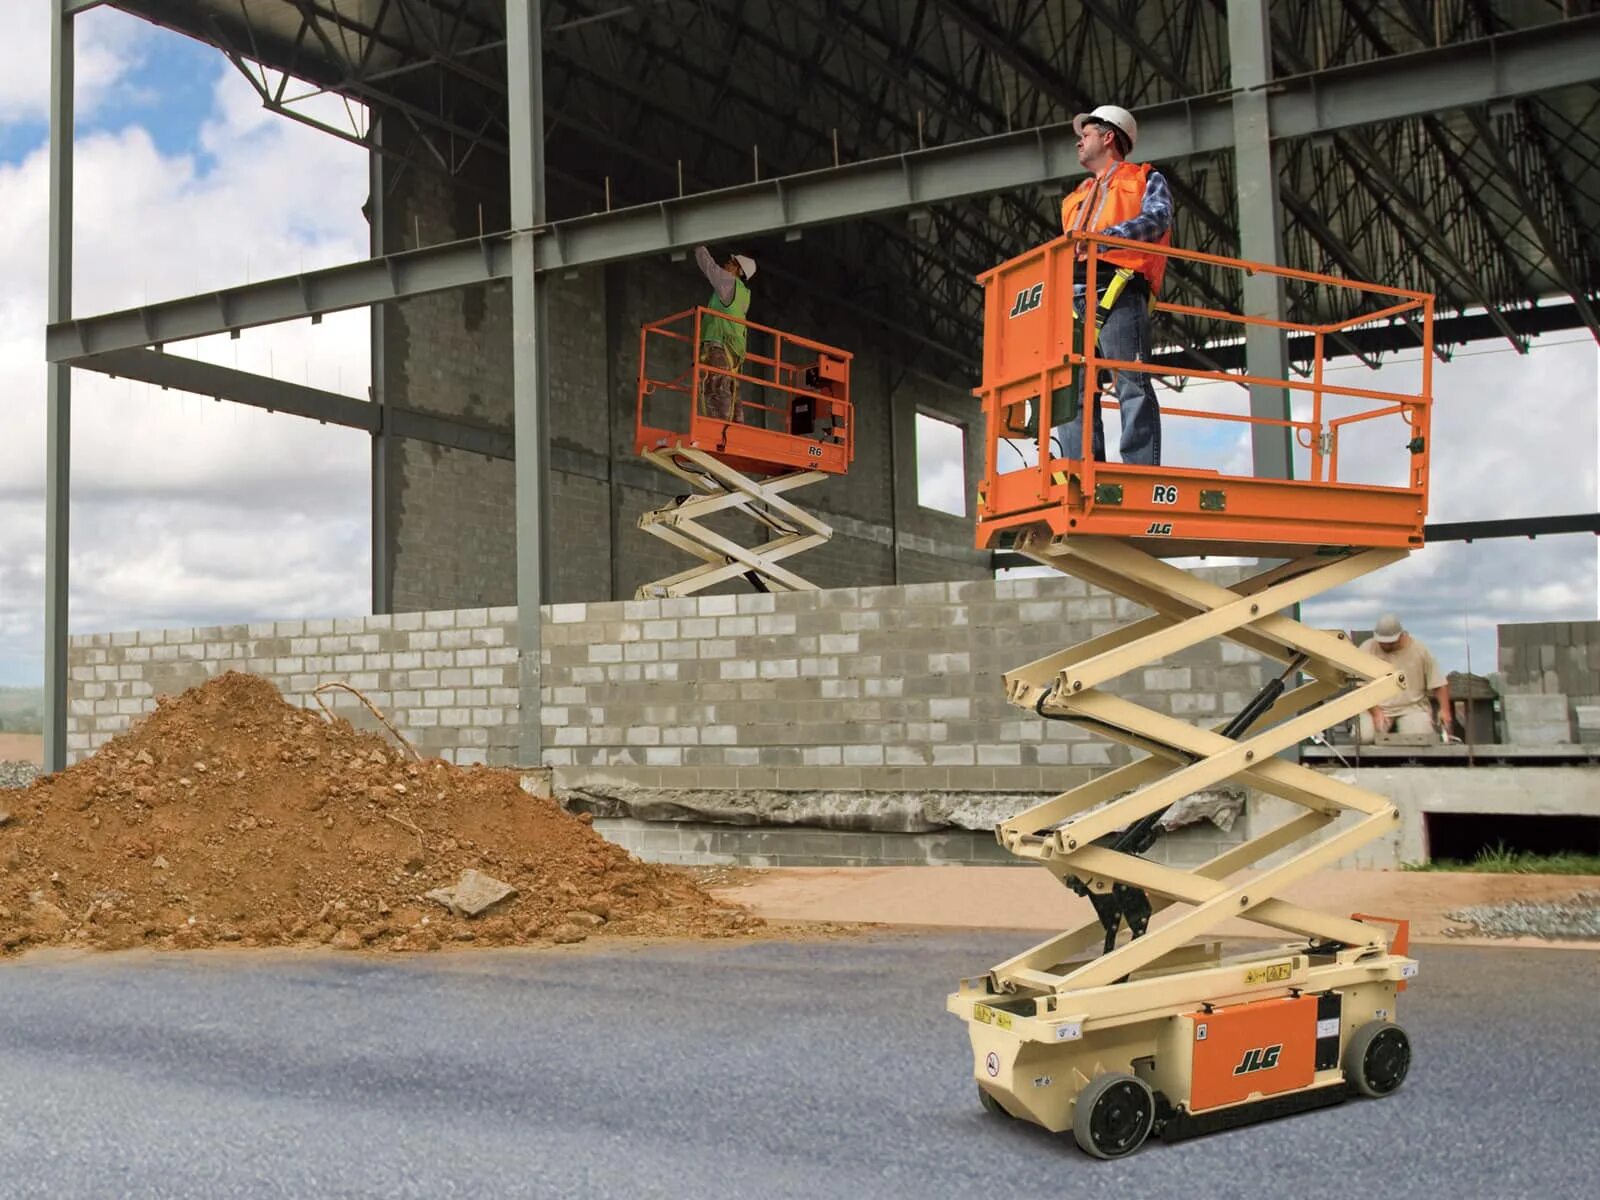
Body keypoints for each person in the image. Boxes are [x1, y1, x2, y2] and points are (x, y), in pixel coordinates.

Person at [1052, 104, 1172, 466]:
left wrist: (1101, 240)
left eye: (1085, 135)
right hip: (1075, 298)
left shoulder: (1145, 179)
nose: (1078, 142)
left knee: (1131, 382)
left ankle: (1140, 470)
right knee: (1072, 391)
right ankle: (1081, 468)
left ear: (1108, 138)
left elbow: (1157, 219)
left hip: (1118, 289)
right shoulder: (1076, 198)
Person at [1357, 613, 1455, 742]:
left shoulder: (1420, 650)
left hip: (1412, 707)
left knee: (1420, 740)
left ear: (1401, 636)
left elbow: (1439, 683)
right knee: (1365, 738)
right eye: (1382, 643)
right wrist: (1376, 712)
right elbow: (1362, 688)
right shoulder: (1367, 648)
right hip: (1377, 707)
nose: (1385, 646)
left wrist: (1445, 711)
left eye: (1390, 643)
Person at [694, 246, 756, 422]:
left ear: (738, 270)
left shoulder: (728, 283)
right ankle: (736, 429)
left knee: (716, 389)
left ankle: (719, 431)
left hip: (719, 344)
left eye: (730, 263)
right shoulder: (744, 295)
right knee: (731, 390)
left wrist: (698, 246)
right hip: (734, 351)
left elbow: (709, 267)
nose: (725, 265)